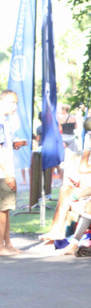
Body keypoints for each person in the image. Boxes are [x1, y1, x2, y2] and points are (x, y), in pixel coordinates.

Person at [0, 90, 20, 256]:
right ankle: (1, 246)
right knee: (2, 210)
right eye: (13, 102)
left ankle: (7, 243)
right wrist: (7, 173)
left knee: (5, 209)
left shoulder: (5, 121)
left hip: (6, 169)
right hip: (2, 172)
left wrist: (14, 144)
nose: (15, 106)